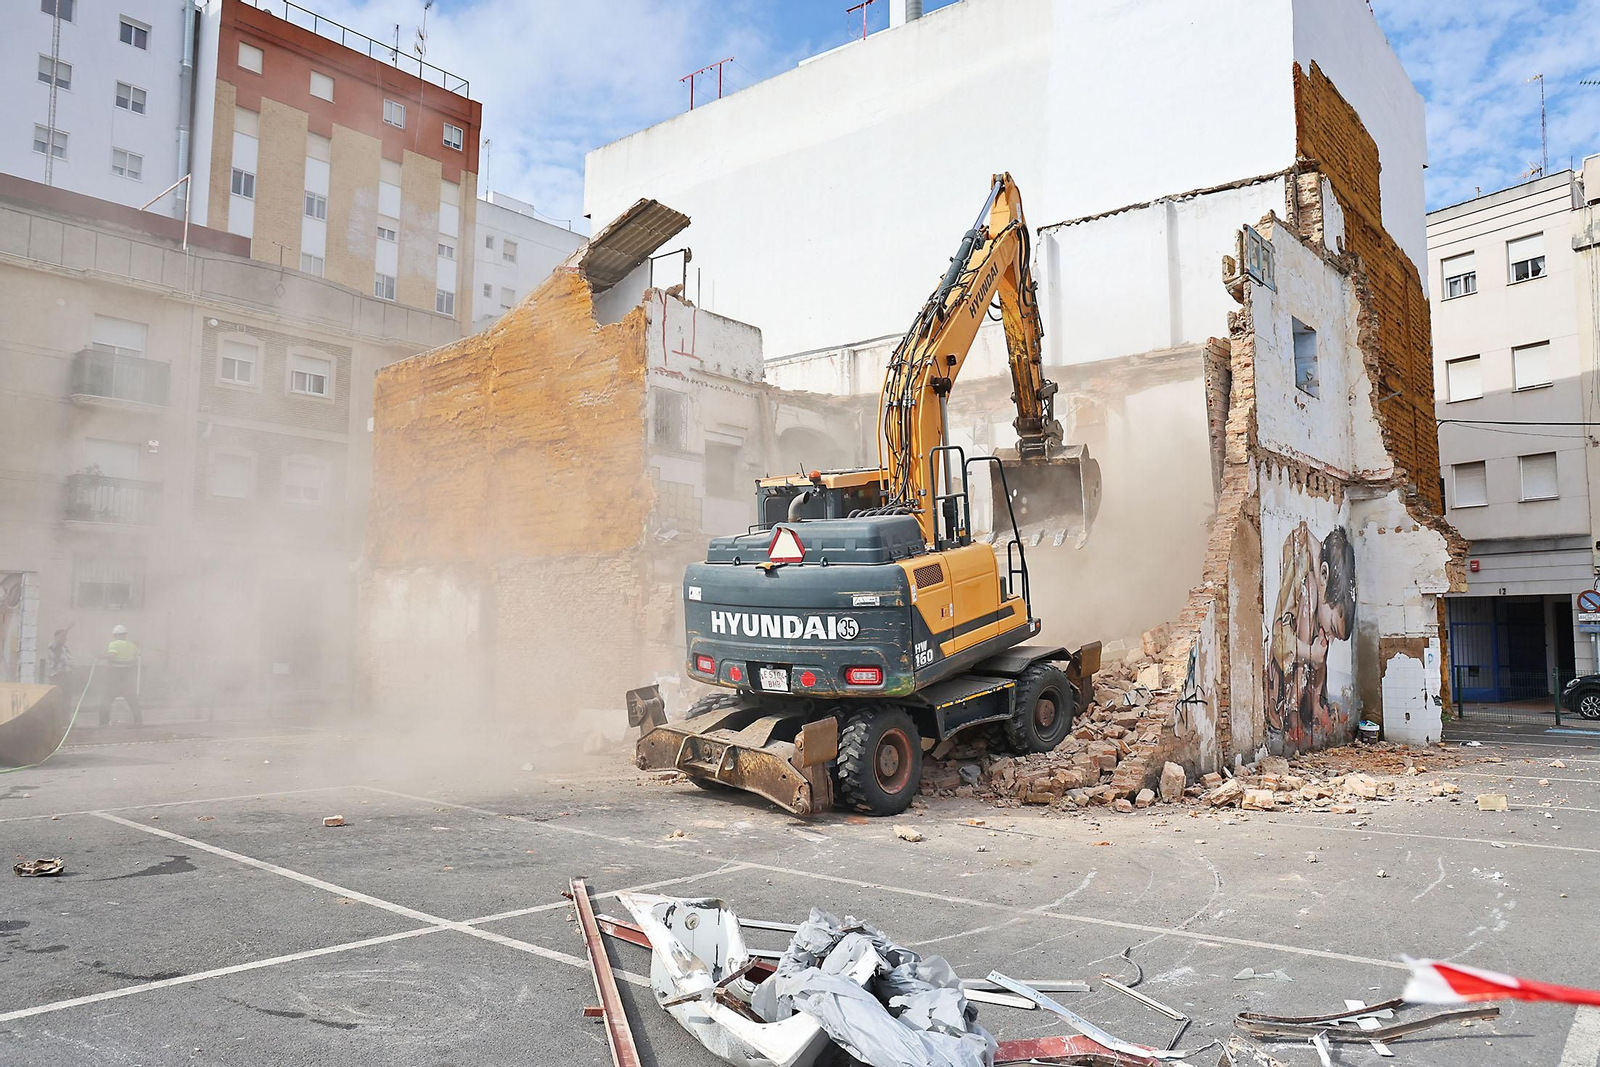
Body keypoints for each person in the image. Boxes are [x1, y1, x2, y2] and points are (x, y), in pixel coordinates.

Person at [98, 624, 142, 726]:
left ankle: (103, 722)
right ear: (125, 635)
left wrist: (100, 656)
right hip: (128, 676)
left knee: (106, 699)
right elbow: (137, 654)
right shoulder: (131, 645)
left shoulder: (113, 644)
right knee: (132, 699)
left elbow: (112, 655)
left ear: (115, 635)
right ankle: (138, 720)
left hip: (115, 676)